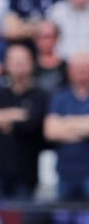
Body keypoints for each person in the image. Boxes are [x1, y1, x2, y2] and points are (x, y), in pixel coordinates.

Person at [0, 44, 49, 200]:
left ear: (32, 64)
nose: (18, 65)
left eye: (23, 61)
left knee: (20, 222)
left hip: (25, 173)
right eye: (14, 61)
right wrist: (18, 114)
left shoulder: (40, 96)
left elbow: (31, 125)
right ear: (6, 64)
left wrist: (0, 117)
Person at [44, 52, 89, 200]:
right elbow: (51, 131)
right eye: (78, 67)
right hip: (65, 172)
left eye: (85, 67)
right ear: (70, 71)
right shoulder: (60, 97)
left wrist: (67, 123)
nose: (82, 71)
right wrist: (83, 125)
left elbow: (59, 128)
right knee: (63, 220)